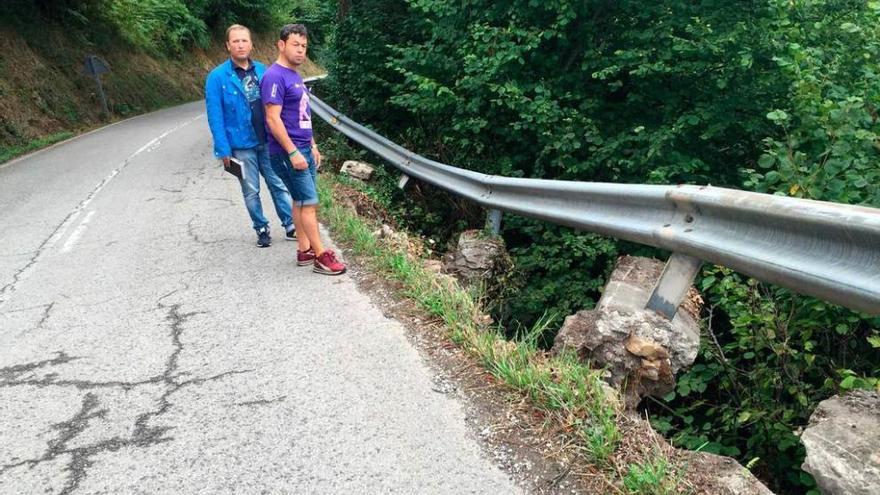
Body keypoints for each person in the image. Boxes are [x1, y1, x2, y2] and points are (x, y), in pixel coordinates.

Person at [261, 23, 346, 275]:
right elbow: (272, 119)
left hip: (303, 147)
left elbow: (302, 115)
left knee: (300, 201)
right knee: (309, 203)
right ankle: (321, 256)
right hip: (289, 151)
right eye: (295, 45)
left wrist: (312, 144)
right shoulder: (274, 76)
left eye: (304, 46)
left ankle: (305, 249)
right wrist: (292, 151)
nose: (300, 51)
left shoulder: (295, 75)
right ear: (281, 44)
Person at [205, 24, 295, 247]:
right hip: (241, 144)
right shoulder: (217, 77)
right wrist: (223, 150)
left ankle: (290, 224)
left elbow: (278, 108)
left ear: (251, 44)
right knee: (251, 190)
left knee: (278, 183)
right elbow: (215, 116)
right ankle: (261, 227)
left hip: (268, 140)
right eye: (235, 41)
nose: (240, 45)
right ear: (228, 45)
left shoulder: (264, 71)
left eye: (244, 40)